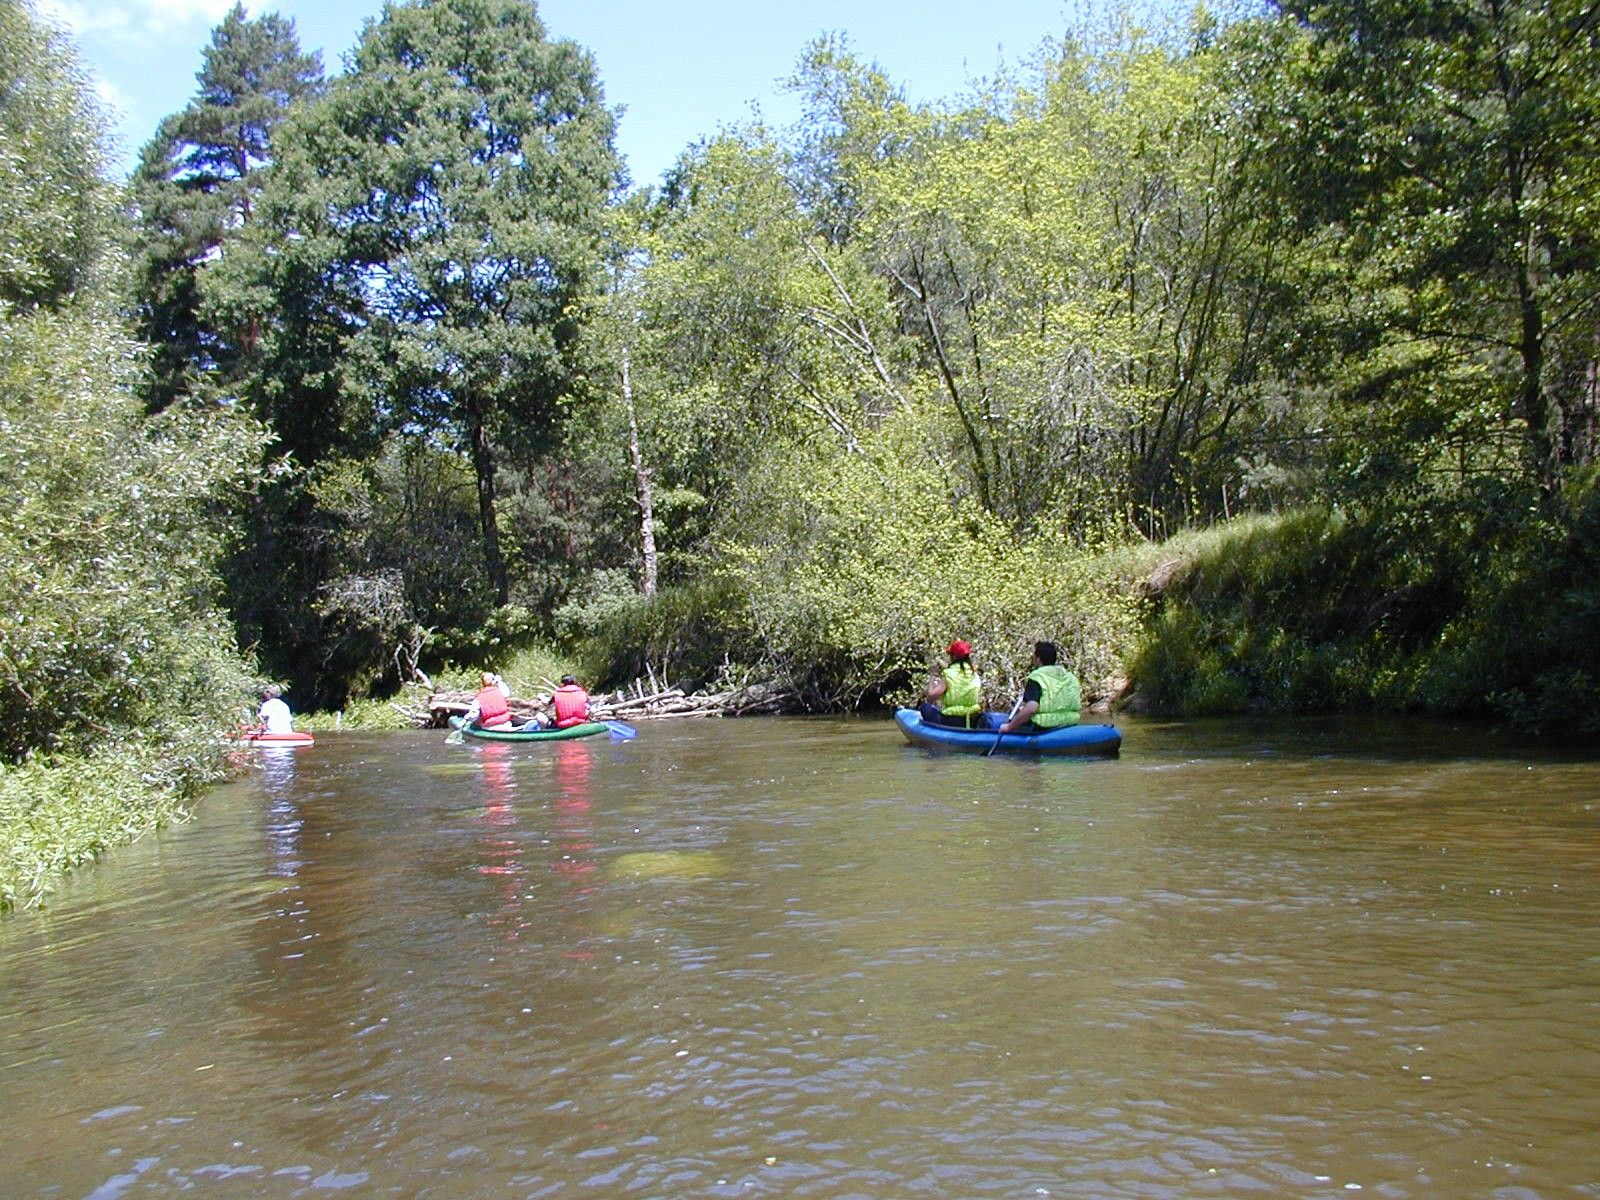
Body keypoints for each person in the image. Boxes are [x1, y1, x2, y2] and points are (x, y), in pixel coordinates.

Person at [998, 641, 1081, 735]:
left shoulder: (1037, 677)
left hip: (1043, 727)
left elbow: (1032, 708)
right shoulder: (1070, 677)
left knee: (994, 722)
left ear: (1038, 659)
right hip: (1069, 723)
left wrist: (1009, 727)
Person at [920, 639, 984, 728]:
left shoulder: (949, 674)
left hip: (952, 720)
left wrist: (933, 675)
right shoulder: (974, 674)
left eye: (950, 655)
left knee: (925, 707)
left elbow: (931, 697)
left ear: (954, 657)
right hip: (972, 718)